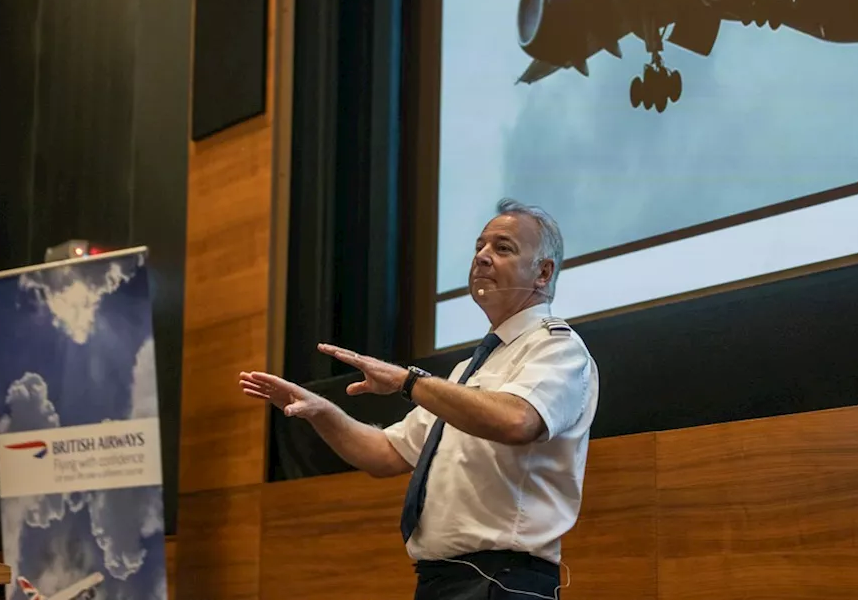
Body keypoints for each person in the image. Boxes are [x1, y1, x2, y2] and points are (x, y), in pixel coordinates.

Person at [239, 199, 599, 599]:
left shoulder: (556, 348)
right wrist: (322, 411)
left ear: (543, 273)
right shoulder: (467, 371)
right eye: (479, 246)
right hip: (441, 579)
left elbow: (518, 420)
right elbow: (385, 453)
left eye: (502, 248)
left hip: (503, 581)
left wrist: (407, 382)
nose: (481, 256)